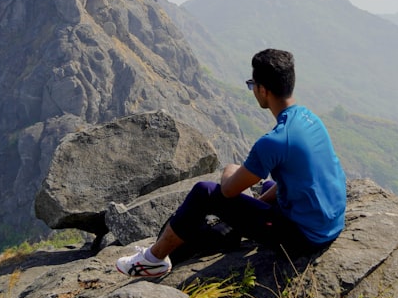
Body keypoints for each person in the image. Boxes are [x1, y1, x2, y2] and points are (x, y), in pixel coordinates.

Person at [116, 49, 347, 277]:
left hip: (304, 238)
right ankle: (229, 229)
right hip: (328, 224)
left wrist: (230, 171)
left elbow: (227, 190)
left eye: (252, 85)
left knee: (204, 192)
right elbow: (297, 178)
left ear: (263, 90)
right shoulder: (310, 119)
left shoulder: (275, 140)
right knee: (266, 188)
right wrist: (254, 205)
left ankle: (152, 260)